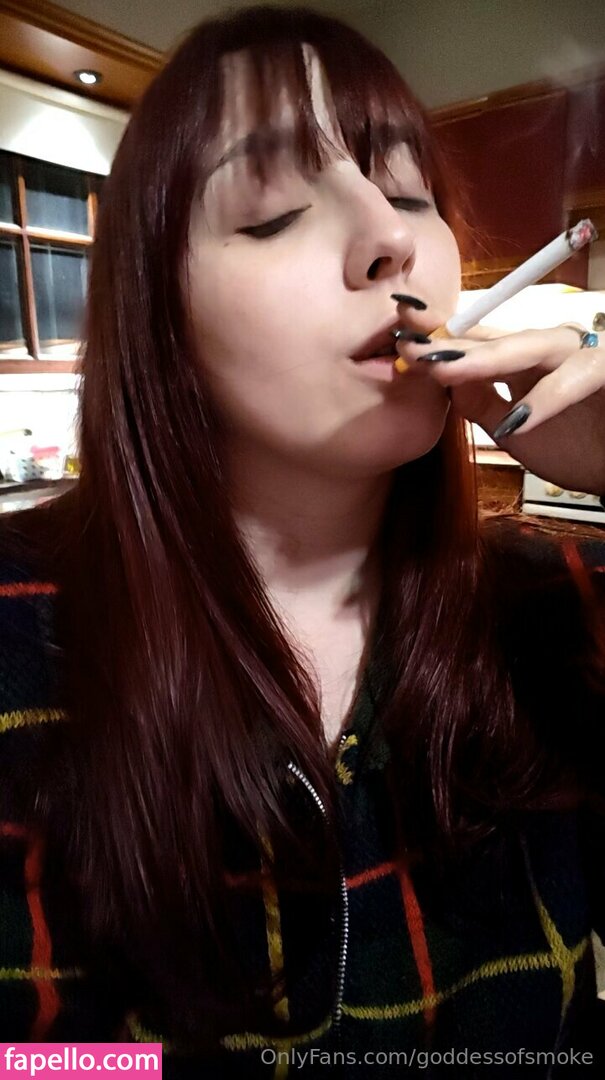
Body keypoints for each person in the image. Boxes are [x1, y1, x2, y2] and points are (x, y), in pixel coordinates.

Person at [1, 5, 605, 1077]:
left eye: (408, 193)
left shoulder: (559, 607)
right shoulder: (18, 631)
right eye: (275, 212)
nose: (389, 237)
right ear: (157, 310)